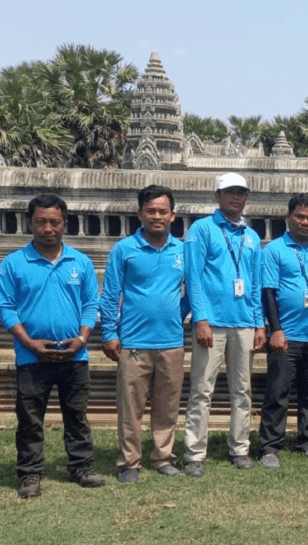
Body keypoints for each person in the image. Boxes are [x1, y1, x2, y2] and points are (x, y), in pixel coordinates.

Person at [0, 194, 105, 500]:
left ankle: (81, 467)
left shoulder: (80, 262)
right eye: (41, 221)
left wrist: (82, 339)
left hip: (75, 354)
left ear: (65, 224)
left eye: (55, 222)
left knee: (77, 415)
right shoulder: (14, 263)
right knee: (30, 419)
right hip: (32, 356)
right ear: (30, 223)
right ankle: (30, 473)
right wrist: (29, 343)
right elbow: (5, 307)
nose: (48, 228)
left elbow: (90, 304)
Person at [100, 185, 190, 483]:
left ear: (172, 215)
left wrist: (177, 314)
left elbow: (193, 291)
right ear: (140, 214)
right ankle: (129, 462)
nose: (157, 216)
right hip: (134, 341)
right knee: (131, 406)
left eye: (163, 211)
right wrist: (110, 333)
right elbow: (111, 294)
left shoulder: (183, 250)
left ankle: (163, 456)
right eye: (150, 211)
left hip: (172, 341)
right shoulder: (125, 249)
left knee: (167, 405)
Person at [182, 172, 265, 477]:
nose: (235, 197)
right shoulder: (201, 230)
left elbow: (254, 284)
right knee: (202, 390)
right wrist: (200, 319)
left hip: (243, 321)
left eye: (241, 193)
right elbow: (193, 278)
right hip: (212, 323)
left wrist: (259, 324)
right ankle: (194, 452)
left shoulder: (251, 236)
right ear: (216, 196)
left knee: (242, 390)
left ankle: (239, 447)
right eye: (229, 192)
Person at [258, 194, 308, 467]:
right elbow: (268, 292)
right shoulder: (274, 250)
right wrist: (276, 330)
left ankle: (306, 440)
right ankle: (270, 446)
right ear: (288, 217)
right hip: (286, 336)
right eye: (300, 217)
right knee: (277, 393)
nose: (306, 222)